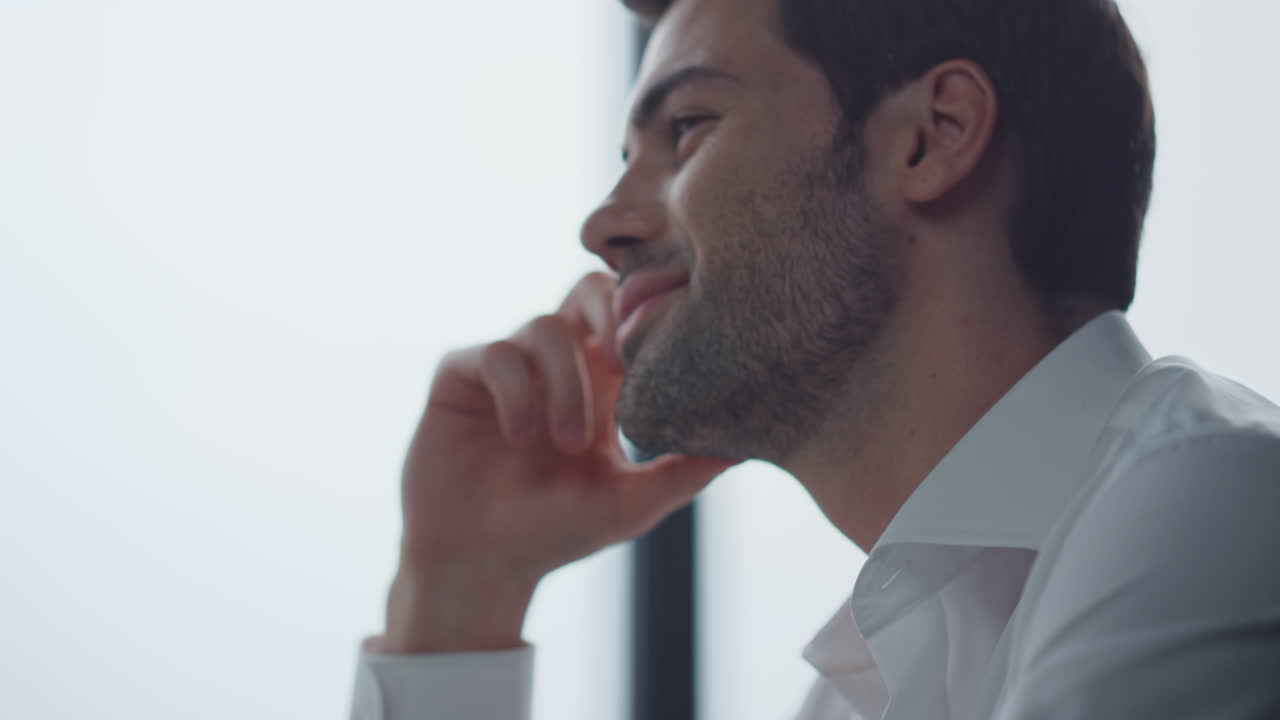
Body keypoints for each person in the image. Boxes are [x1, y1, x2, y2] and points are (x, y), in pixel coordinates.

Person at [349, 0, 1280, 717]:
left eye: (688, 129)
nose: (603, 225)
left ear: (934, 135)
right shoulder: (863, 688)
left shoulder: (1214, 499)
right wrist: (459, 598)